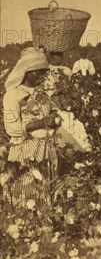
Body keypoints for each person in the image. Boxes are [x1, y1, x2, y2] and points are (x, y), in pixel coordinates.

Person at [2, 48, 62, 209]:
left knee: (43, 188)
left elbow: (53, 111)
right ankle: (25, 228)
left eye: (44, 72)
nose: (42, 76)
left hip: (44, 148)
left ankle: (43, 227)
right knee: (26, 190)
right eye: (38, 72)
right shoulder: (13, 95)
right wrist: (41, 123)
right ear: (26, 71)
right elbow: (12, 128)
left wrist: (55, 118)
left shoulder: (41, 94)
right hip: (24, 150)